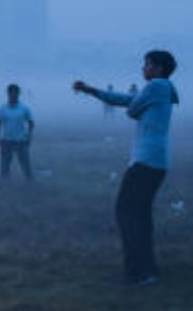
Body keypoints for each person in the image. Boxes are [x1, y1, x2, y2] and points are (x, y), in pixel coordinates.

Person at [74, 50, 180, 286]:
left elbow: (131, 110)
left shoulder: (158, 86)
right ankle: (148, 268)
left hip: (146, 162)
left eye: (147, 64)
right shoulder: (158, 90)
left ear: (160, 69)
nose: (143, 69)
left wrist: (134, 107)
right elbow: (124, 100)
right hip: (154, 162)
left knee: (127, 213)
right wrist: (91, 90)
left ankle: (138, 272)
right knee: (139, 216)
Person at [0, 83, 34, 180]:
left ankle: (29, 182)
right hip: (6, 140)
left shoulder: (24, 108)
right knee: (5, 164)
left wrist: (29, 135)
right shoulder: (2, 109)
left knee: (25, 164)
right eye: (11, 93)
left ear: (18, 94)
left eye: (15, 93)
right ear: (8, 94)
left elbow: (31, 123)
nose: (13, 95)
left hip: (21, 140)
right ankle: (5, 183)